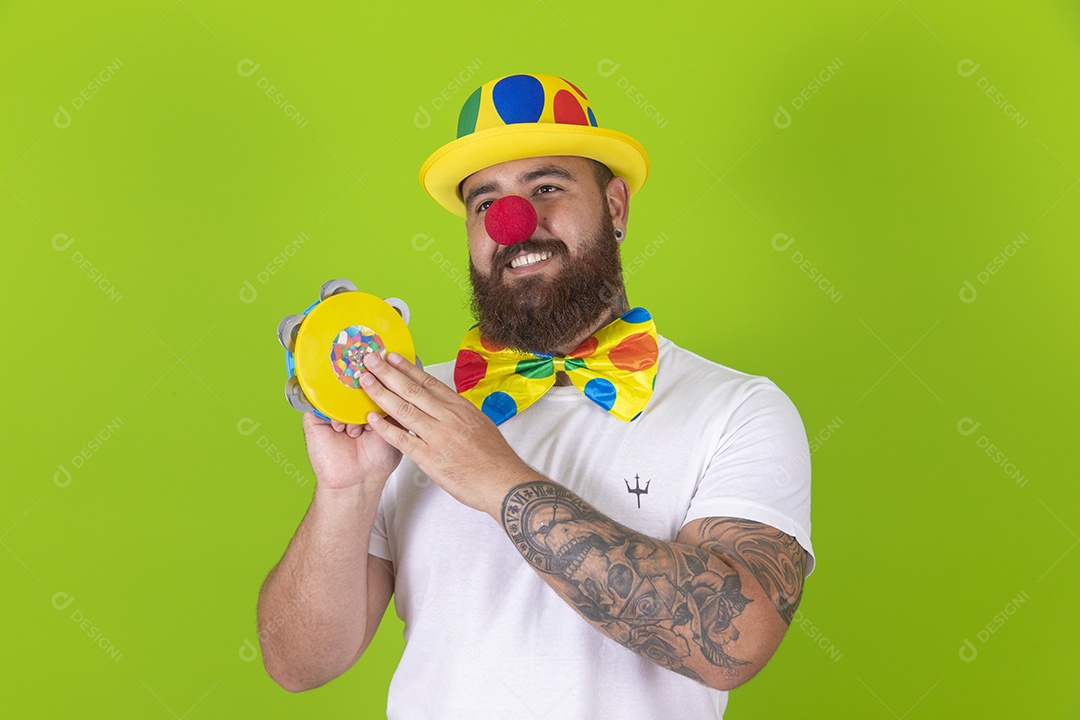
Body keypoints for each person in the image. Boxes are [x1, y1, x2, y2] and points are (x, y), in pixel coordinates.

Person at [256, 72, 815, 719]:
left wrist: (495, 479)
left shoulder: (736, 409)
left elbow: (734, 641)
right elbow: (297, 665)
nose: (512, 222)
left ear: (615, 207)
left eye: (546, 187)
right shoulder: (411, 411)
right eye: (484, 202)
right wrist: (347, 491)